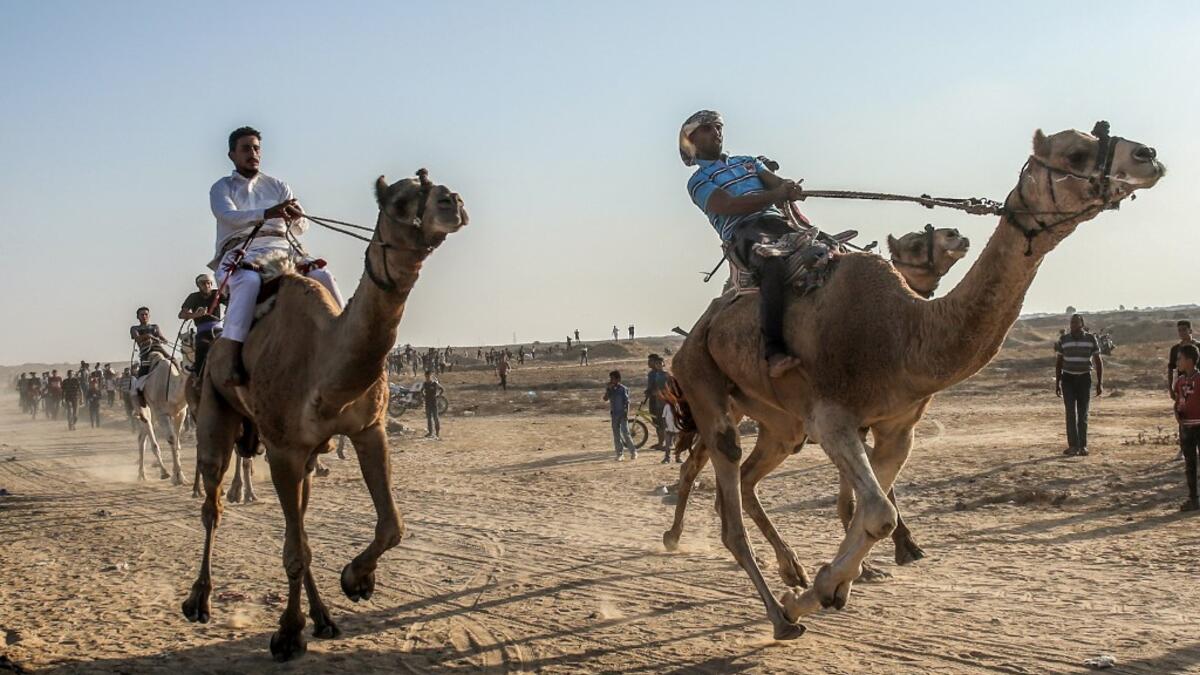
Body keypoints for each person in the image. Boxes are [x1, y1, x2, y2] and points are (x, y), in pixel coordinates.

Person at [206, 126, 345, 386]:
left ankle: (346, 340)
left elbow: (302, 228)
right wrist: (267, 213)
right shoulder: (221, 188)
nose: (253, 153)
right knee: (247, 282)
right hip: (242, 251)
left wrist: (296, 216)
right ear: (232, 155)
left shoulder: (278, 186)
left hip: (284, 251)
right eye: (246, 148)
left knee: (321, 274)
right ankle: (231, 355)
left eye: (256, 148)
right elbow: (229, 216)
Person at [680, 110, 807, 377]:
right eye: (707, 129)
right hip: (744, 232)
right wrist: (775, 194)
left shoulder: (749, 162)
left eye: (718, 127)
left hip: (779, 224)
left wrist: (789, 188)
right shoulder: (698, 181)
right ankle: (774, 352)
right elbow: (728, 206)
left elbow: (778, 184)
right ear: (691, 140)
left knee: (830, 255)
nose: (716, 132)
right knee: (772, 264)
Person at [1055, 314, 1103, 457]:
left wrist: (1100, 383)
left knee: (1083, 413)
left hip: (1084, 378)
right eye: (1071, 322)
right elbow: (1058, 362)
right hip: (1068, 379)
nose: (1073, 325)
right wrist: (1057, 382)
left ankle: (1083, 446)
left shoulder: (1090, 339)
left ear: (1082, 323)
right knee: (1070, 413)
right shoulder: (1064, 340)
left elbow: (1098, 361)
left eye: (1076, 322)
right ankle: (1073, 446)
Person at [180, 272, 226, 376]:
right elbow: (182, 314)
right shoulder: (193, 297)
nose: (206, 286)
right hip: (203, 332)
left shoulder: (217, 294)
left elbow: (231, 302)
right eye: (203, 283)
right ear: (198, 285)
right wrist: (197, 314)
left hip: (219, 330)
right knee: (201, 348)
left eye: (209, 283)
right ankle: (198, 377)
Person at [1173, 344, 1200, 512]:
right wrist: (1177, 412)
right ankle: (1193, 499)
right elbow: (1179, 401)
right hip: (1186, 427)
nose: (1177, 362)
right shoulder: (1180, 382)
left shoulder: (1199, 380)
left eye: (1180, 359)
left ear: (1189, 361)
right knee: (1190, 464)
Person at [130, 307, 169, 408]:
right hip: (145, 351)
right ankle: (140, 395)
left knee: (173, 361)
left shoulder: (155, 327)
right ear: (138, 317)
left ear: (149, 315)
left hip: (158, 348)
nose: (144, 316)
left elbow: (162, 337)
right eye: (142, 315)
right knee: (143, 372)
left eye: (146, 314)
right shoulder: (135, 328)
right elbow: (138, 338)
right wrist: (148, 336)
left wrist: (164, 340)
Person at [603, 370, 638, 461]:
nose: (611, 380)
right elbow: (605, 399)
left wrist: (626, 413)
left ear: (618, 379)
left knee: (625, 433)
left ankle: (633, 452)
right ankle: (619, 454)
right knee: (616, 434)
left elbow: (627, 402)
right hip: (614, 414)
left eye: (613, 378)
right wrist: (608, 390)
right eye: (610, 378)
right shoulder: (611, 389)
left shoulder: (623, 389)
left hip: (622, 413)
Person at [644, 354, 669, 450]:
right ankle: (660, 442)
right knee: (657, 422)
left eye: (650, 361)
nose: (649, 363)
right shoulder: (652, 373)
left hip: (658, 400)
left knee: (660, 422)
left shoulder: (659, 374)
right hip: (654, 399)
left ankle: (662, 443)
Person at [422, 370, 442, 440]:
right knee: (429, 419)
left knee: (435, 418)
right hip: (427, 402)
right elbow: (422, 391)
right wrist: (423, 396)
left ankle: (437, 432)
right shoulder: (425, 384)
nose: (427, 378)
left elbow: (441, 389)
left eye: (428, 376)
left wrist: (438, 395)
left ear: (431, 376)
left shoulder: (434, 384)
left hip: (433, 402)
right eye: (426, 376)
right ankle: (430, 432)